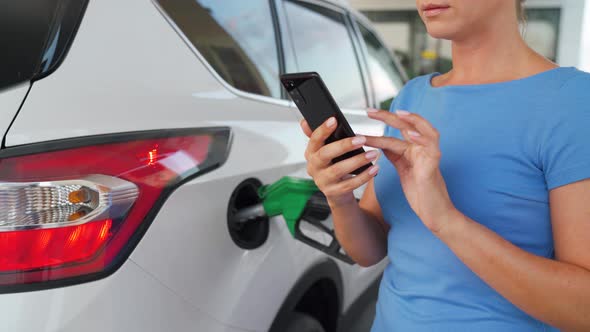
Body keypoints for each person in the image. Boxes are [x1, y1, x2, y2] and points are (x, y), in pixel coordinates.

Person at [300, 0, 590, 330]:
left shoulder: (574, 101)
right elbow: (369, 249)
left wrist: (445, 220)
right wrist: (339, 199)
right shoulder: (412, 97)